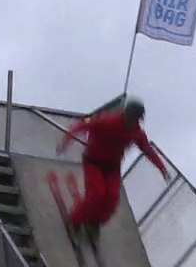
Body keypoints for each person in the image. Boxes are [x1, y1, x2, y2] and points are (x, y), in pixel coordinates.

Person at [55, 97, 170, 243]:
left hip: (112, 168)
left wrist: (162, 168)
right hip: (94, 162)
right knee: (96, 195)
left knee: (111, 201)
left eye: (135, 120)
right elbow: (82, 126)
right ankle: (75, 219)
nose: (131, 122)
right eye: (130, 118)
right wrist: (66, 140)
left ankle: (94, 222)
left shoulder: (136, 133)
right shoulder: (107, 121)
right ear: (125, 114)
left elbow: (147, 150)